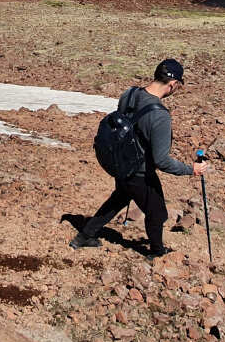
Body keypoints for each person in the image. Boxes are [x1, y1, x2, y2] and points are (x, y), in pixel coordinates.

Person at [71, 58, 208, 257]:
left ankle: (85, 235)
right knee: (157, 213)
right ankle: (156, 251)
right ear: (172, 84)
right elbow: (161, 160)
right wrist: (191, 169)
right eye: (178, 86)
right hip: (140, 173)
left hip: (120, 162)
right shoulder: (160, 116)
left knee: (120, 197)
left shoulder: (129, 94)